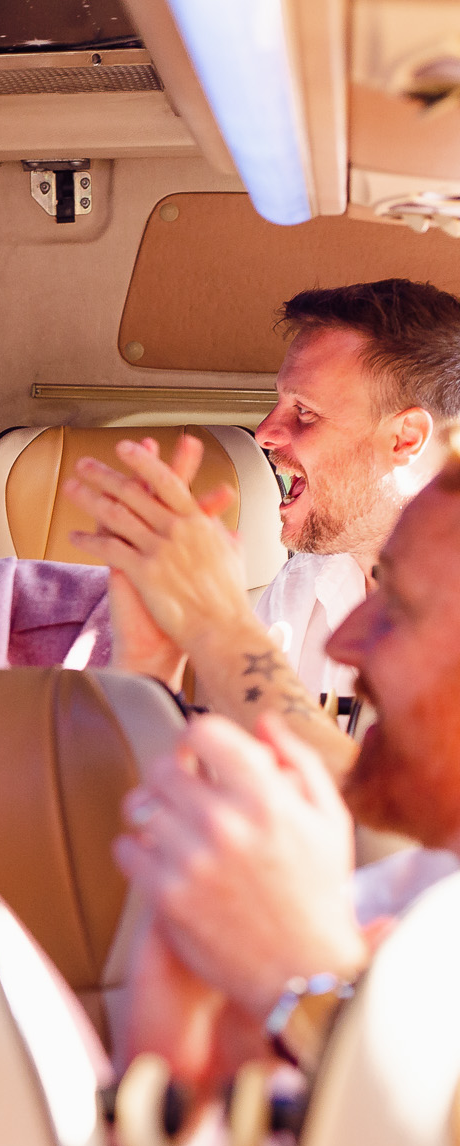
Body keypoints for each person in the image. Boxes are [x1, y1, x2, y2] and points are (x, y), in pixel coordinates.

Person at [116, 453, 460, 1087]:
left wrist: (299, 986)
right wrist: (180, 1084)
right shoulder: (409, 889)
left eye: (400, 610)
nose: (343, 643)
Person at [64, 280, 460, 769]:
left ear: (406, 438)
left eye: (305, 412)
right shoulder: (306, 584)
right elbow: (231, 791)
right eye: (279, 404)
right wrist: (151, 664)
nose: (266, 433)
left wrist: (218, 626)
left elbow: (397, 824)